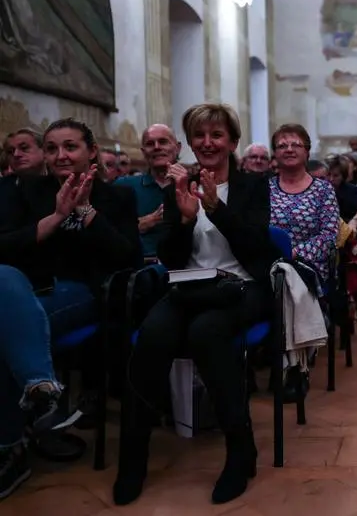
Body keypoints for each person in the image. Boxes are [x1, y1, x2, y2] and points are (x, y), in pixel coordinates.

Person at [114, 103, 278, 506]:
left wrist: (216, 209)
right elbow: (170, 257)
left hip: (242, 287)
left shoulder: (253, 185)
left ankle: (240, 454)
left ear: (232, 142)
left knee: (207, 333)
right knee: (152, 335)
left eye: (217, 135)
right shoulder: (179, 185)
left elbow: (257, 246)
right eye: (199, 135)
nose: (207, 143)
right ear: (190, 141)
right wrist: (185, 221)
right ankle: (133, 459)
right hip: (189, 287)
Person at [0, 118, 141, 499]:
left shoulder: (118, 197)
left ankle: (9, 445)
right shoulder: (27, 192)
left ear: (91, 151)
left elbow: (127, 257)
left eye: (70, 146)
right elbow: (6, 247)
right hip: (19, 291)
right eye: (51, 148)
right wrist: (58, 216)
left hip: (82, 294)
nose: (60, 155)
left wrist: (87, 212)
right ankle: (39, 391)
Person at [269, 125, 340, 282]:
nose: (289, 149)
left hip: (308, 268)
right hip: (268, 265)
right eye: (282, 146)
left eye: (296, 145)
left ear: (307, 152)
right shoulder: (264, 188)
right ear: (275, 154)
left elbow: (329, 236)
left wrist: (293, 253)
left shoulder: (323, 189)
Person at [116, 124, 181, 258]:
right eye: (150, 144)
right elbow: (107, 233)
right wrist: (140, 224)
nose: (157, 147)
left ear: (178, 147)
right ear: (144, 151)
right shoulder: (123, 187)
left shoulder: (193, 186)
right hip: (139, 269)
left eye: (163, 142)